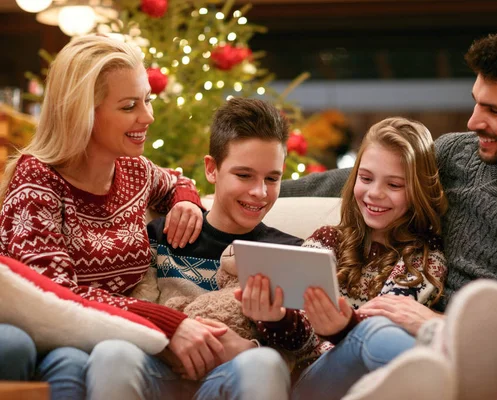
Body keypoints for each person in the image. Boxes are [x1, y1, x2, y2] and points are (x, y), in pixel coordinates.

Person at [279, 24, 497, 398]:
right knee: (376, 334)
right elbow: (362, 179)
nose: (473, 120)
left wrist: (440, 323)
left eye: (493, 110)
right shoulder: (458, 154)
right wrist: (233, 195)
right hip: (414, 348)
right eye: (476, 100)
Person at [0, 35, 283, 400]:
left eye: (147, 99)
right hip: (60, 331)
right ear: (82, 111)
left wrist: (185, 201)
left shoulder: (133, 170)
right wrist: (165, 324)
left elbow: (176, 182)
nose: (147, 116)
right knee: (71, 361)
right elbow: (58, 299)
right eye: (129, 105)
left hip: (122, 339)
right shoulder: (36, 181)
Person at [239, 117, 448, 400]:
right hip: (314, 381)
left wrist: (343, 327)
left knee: (379, 331)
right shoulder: (327, 240)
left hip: (376, 377)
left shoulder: (424, 258)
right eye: (366, 178)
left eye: (395, 185)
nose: (375, 193)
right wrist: (276, 318)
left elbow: (385, 328)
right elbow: (303, 344)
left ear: (418, 191)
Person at [135, 97, 303, 306]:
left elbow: (309, 334)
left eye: (271, 178)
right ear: (211, 169)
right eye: (244, 175)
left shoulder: (293, 254)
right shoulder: (162, 237)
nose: (260, 192)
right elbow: (137, 312)